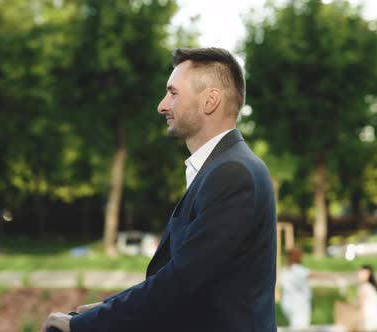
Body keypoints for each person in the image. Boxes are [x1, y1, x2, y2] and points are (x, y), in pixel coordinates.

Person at [42, 47, 277, 332]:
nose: (162, 105)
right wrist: (105, 311)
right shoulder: (223, 168)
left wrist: (84, 326)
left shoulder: (232, 173)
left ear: (210, 101)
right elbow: (186, 282)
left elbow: (181, 284)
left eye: (173, 93)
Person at [279, 247, 338, 329]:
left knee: (295, 326)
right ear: (295, 256)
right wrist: (331, 276)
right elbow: (313, 274)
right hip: (299, 304)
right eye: (300, 255)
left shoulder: (285, 269)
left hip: (288, 302)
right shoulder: (297, 269)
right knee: (300, 328)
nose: (302, 257)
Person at [356, 264, 377, 331]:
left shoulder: (364, 287)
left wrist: (360, 324)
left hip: (370, 322)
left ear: (367, 274)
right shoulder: (373, 287)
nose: (357, 274)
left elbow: (362, 308)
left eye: (360, 272)